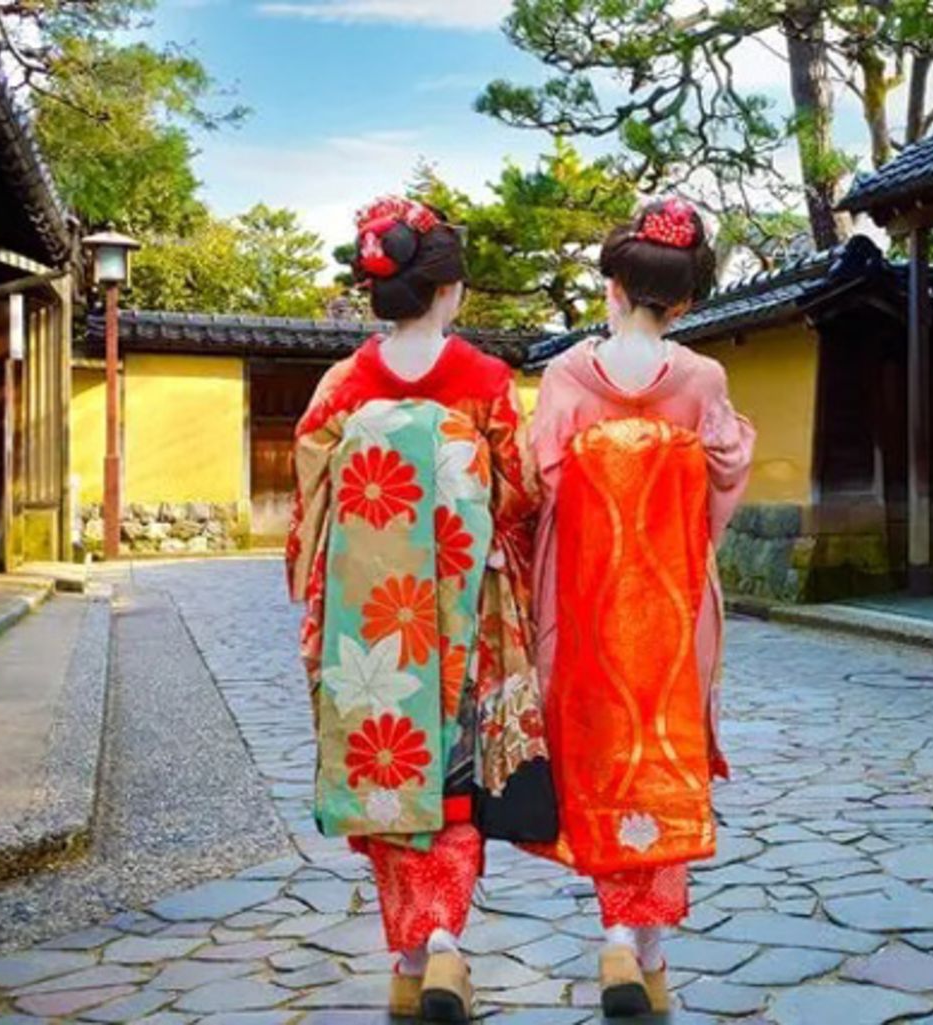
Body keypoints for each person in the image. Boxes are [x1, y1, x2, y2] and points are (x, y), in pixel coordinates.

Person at [286, 196, 556, 1022]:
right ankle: (444, 949)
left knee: (384, 770)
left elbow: (310, 510)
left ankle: (413, 954)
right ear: (450, 292)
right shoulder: (485, 383)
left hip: (367, 622)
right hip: (461, 617)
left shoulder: (342, 388)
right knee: (455, 778)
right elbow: (522, 494)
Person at [527, 197, 754, 1018]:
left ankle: (622, 938)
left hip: (583, 606)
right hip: (671, 602)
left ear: (611, 286)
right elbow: (724, 476)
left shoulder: (565, 376)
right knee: (665, 755)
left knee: (599, 756)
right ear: (686, 301)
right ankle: (638, 946)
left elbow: (541, 483)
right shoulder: (702, 378)